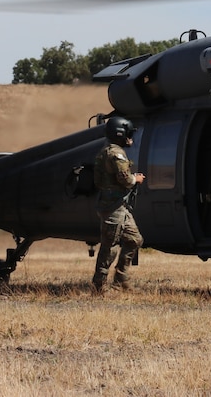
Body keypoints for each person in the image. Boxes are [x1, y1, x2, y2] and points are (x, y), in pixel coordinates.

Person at [91, 115, 145, 293]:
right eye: (128, 134)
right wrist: (135, 179)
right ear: (120, 134)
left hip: (119, 206)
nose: (130, 138)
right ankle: (99, 285)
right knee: (110, 246)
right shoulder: (116, 153)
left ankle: (121, 279)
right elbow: (125, 179)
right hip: (112, 207)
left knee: (134, 240)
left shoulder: (106, 151)